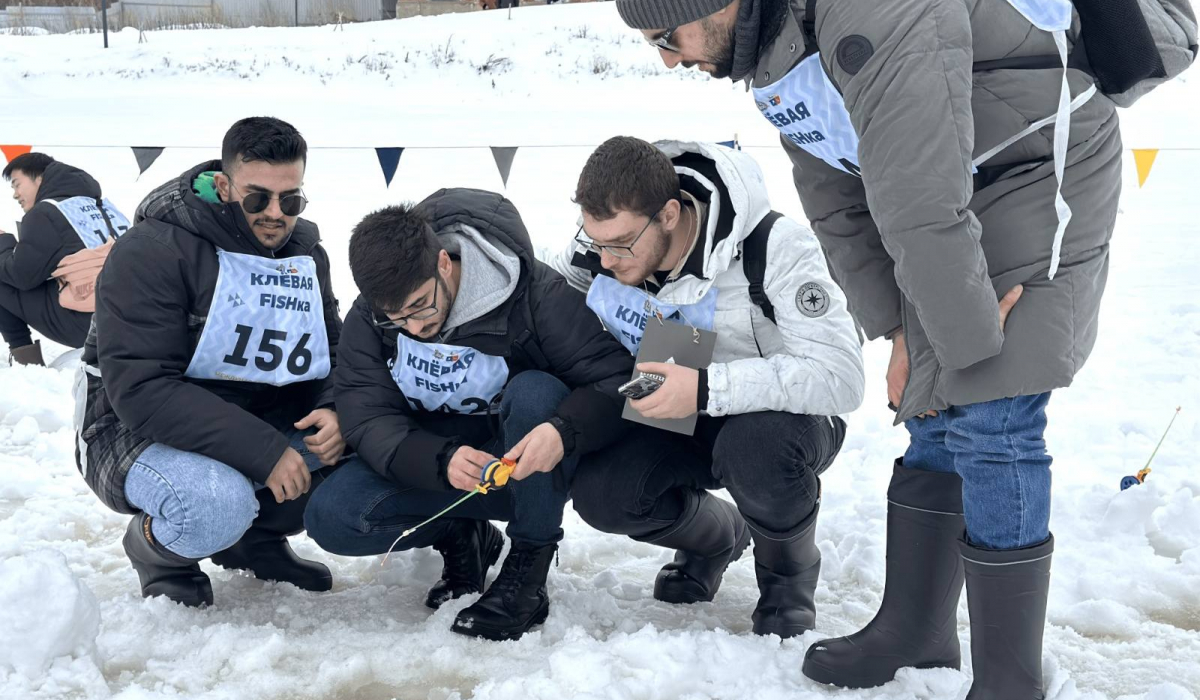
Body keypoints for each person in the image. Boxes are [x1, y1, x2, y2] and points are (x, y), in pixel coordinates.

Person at [613, 0, 1131, 695]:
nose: (669, 59)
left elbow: (915, 195)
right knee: (933, 406)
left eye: (667, 37)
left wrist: (964, 348)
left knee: (991, 410)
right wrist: (898, 331)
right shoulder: (773, 51)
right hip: (946, 186)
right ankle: (916, 632)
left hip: (1036, 163)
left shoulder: (868, 9)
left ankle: (1011, 679)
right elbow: (838, 199)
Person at [550, 137, 863, 638]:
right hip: (672, 395)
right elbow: (551, 294)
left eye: (621, 245)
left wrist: (703, 388)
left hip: (784, 417)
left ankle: (787, 576)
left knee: (755, 448)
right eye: (596, 242)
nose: (606, 261)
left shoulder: (775, 246)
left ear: (669, 214)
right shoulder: (606, 247)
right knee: (603, 492)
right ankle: (715, 537)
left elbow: (841, 377)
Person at [304, 189, 634, 641]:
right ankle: (464, 535)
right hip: (441, 462)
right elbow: (367, 413)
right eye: (396, 318)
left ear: (444, 263)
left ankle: (527, 572)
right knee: (334, 517)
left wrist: (562, 431)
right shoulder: (375, 314)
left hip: (522, 464)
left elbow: (617, 380)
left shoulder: (533, 293)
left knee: (536, 392)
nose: (415, 327)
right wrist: (437, 460)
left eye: (421, 305)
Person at [75, 117, 347, 607]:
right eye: (257, 197)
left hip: (253, 420)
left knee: (361, 443)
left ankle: (254, 541)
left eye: (291, 200)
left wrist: (332, 408)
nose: (274, 213)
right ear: (223, 186)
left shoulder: (305, 253)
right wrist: (264, 452)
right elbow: (141, 389)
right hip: (132, 430)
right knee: (215, 503)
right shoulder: (154, 250)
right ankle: (158, 551)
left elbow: (331, 349)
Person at [1, 153, 129, 365]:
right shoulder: (103, 206)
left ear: (40, 179)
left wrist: (3, 242)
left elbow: (21, 276)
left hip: (94, 326)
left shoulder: (47, 212)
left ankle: (26, 362)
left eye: (17, 184)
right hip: (131, 314)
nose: (15, 194)